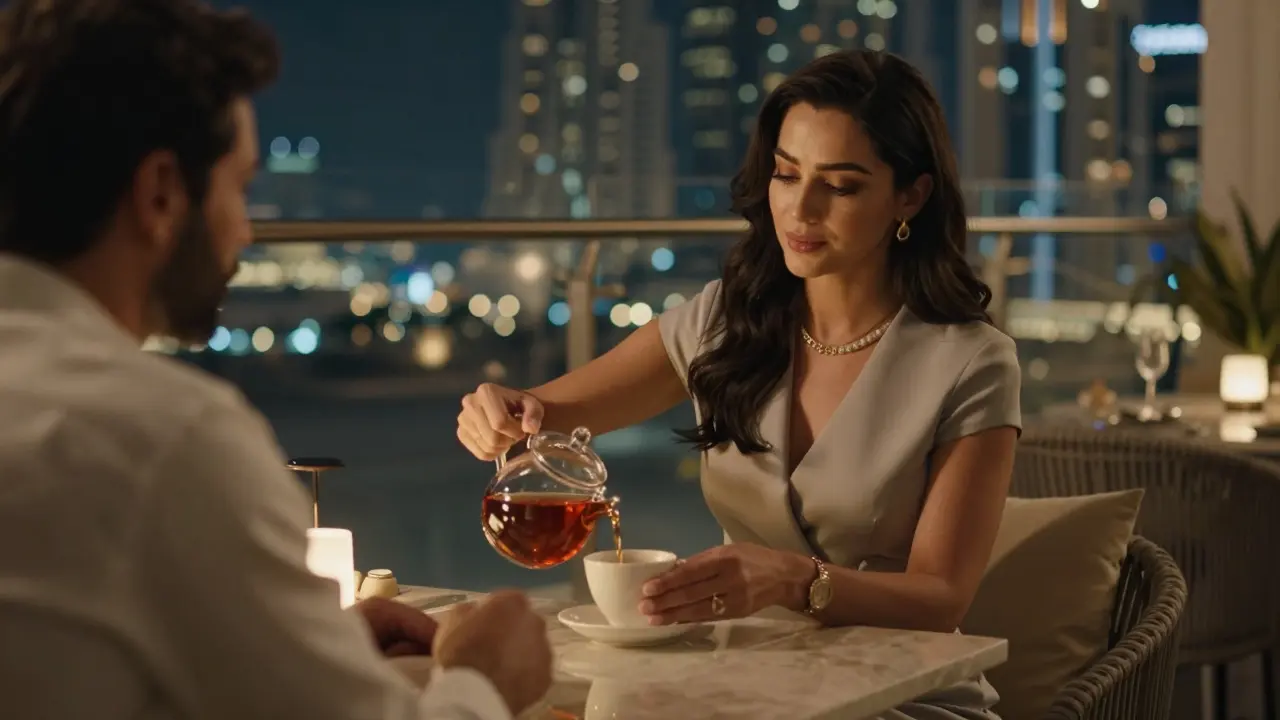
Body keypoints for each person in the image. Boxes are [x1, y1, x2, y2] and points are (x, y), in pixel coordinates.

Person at [0, 1, 551, 719]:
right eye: (240, 187)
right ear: (162, 193)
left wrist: (297, 641)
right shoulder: (166, 436)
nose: (247, 230)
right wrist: (485, 679)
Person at [458, 49, 1021, 720]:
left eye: (840, 185)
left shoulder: (972, 363)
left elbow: (941, 598)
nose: (801, 208)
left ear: (911, 195)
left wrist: (795, 581)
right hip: (742, 680)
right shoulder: (722, 320)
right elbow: (547, 415)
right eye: (786, 174)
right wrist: (501, 414)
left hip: (902, 695)